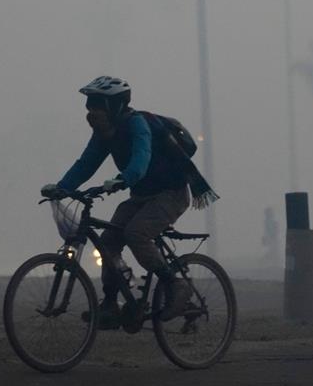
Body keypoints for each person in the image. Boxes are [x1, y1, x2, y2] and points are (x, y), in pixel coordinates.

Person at [41, 76, 217, 329]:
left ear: (114, 106)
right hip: (142, 197)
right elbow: (86, 164)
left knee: (136, 234)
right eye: (89, 107)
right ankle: (110, 304)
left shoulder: (137, 125)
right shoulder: (104, 135)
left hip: (171, 194)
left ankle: (175, 285)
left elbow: (141, 159)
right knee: (108, 242)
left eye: (97, 106)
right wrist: (61, 188)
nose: (91, 113)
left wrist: (124, 179)